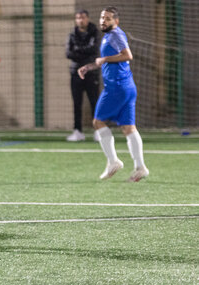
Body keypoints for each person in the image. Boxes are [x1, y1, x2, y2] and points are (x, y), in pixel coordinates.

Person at [78, 6, 149, 182]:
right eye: (102, 17)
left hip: (116, 88)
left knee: (98, 122)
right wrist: (90, 66)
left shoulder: (115, 34)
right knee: (128, 128)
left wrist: (105, 59)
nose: (104, 21)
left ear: (116, 22)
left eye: (108, 18)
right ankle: (140, 167)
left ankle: (113, 161)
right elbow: (107, 61)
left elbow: (127, 55)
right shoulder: (109, 36)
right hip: (127, 87)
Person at [66, 9, 101, 142]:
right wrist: (83, 52)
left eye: (83, 17)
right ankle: (77, 131)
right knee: (77, 103)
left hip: (91, 72)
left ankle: (98, 130)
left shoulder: (95, 33)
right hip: (75, 73)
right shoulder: (72, 34)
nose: (81, 20)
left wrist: (78, 50)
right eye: (78, 18)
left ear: (88, 18)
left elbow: (94, 49)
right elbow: (68, 53)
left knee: (94, 102)